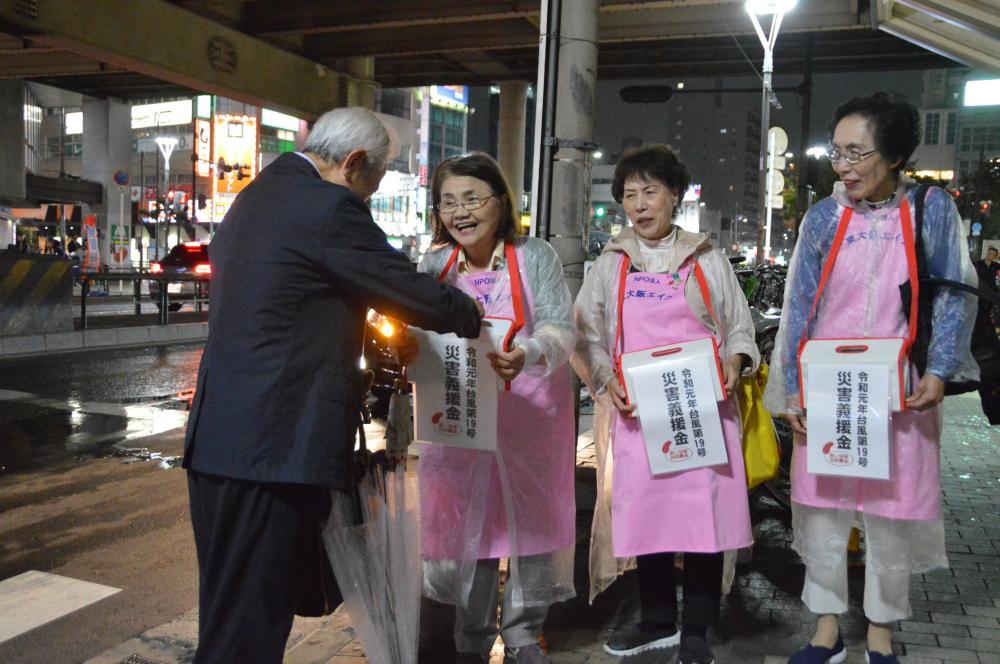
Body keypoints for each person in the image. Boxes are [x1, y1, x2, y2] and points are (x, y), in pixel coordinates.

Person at [182, 107, 482, 664]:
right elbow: (397, 284)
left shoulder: (259, 194)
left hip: (220, 441)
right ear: (354, 163)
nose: (368, 197)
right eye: (374, 183)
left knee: (229, 611)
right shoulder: (327, 206)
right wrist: (472, 314)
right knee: (249, 628)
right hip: (271, 446)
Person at [763, 93, 979, 664]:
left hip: (898, 386)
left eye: (856, 152)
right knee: (823, 510)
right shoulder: (823, 217)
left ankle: (881, 632)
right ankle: (826, 629)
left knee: (890, 512)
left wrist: (940, 369)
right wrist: (791, 385)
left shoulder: (929, 208)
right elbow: (799, 304)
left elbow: (955, 291)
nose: (844, 166)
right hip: (830, 384)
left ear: (893, 154)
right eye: (838, 152)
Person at [574, 144, 759, 664]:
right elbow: (583, 333)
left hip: (699, 409)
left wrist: (735, 361)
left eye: (649, 191)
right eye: (629, 194)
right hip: (638, 414)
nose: (638, 204)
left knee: (703, 519)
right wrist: (606, 377)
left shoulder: (706, 258)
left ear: (674, 195)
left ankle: (697, 627)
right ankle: (657, 620)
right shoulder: (611, 263)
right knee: (649, 518)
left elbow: (740, 327)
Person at [394, 153, 577, 664]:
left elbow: (561, 328)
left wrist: (530, 355)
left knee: (530, 527)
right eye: (448, 201)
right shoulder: (434, 267)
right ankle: (470, 640)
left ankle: (522, 635)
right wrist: (406, 346)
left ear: (501, 201)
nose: (461, 212)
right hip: (459, 421)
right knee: (465, 528)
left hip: (531, 418)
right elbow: (412, 333)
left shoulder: (534, 255)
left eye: (473, 198)